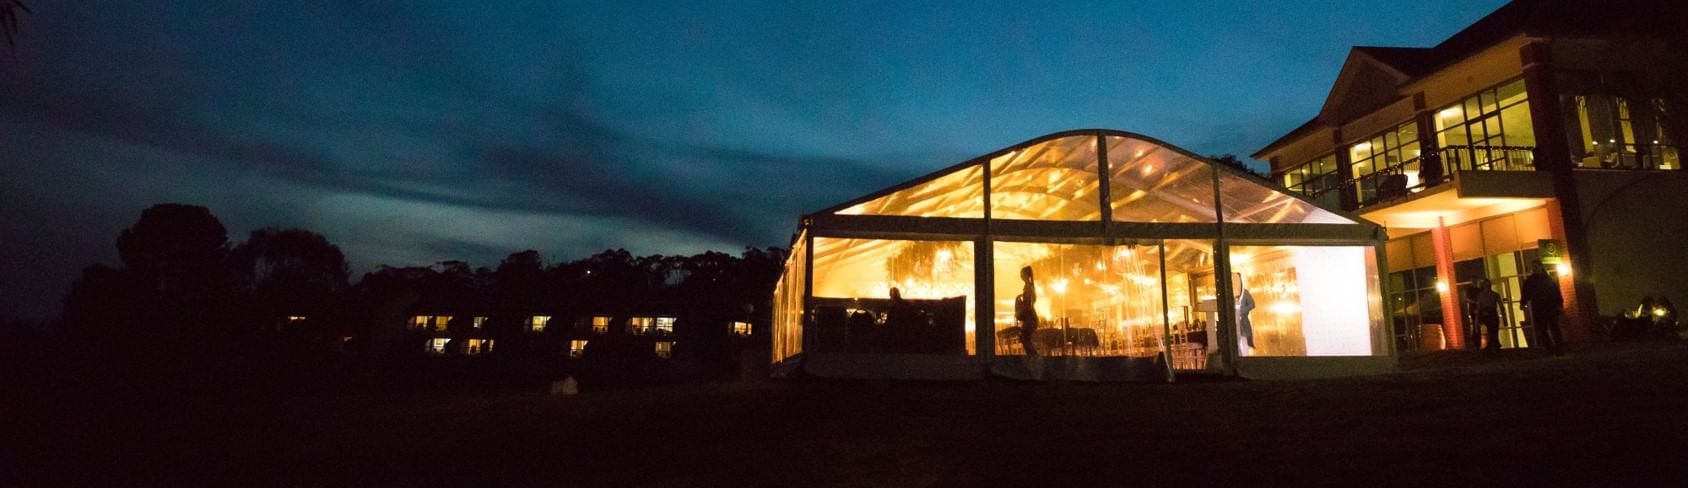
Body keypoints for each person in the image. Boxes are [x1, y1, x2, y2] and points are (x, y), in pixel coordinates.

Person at [1520, 261, 1564, 354]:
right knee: (1543, 329)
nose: (1535, 268)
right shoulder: (1535, 280)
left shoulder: (1547, 279)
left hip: (1549, 307)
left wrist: (1559, 304)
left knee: (1553, 328)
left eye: (1536, 266)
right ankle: (1551, 348)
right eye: (1534, 266)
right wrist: (1522, 303)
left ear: (1540, 267)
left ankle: (1558, 348)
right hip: (1540, 308)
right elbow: (1526, 293)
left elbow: (1556, 293)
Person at [1464, 279, 1502, 351]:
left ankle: (1493, 344)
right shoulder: (1492, 295)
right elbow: (1480, 306)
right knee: (1493, 329)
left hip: (1488, 313)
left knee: (1492, 329)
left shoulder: (1483, 295)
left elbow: (1479, 306)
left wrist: (1478, 314)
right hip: (1490, 313)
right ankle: (1494, 344)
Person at [1015, 266, 1039, 356]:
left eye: (1022, 274)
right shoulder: (1031, 287)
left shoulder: (1028, 288)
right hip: (1031, 317)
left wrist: (1020, 307)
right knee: (1026, 339)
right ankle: (1033, 357)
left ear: (1025, 275)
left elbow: (1028, 305)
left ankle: (1033, 358)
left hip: (1029, 318)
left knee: (1025, 338)